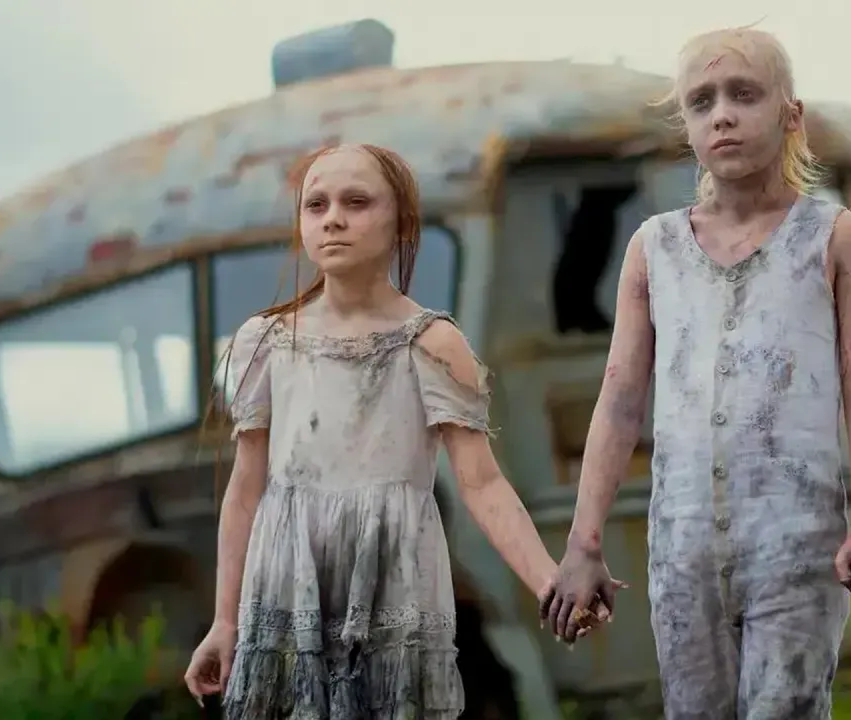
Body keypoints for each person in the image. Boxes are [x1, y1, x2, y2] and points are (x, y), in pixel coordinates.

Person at [539, 25, 851, 718]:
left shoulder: (834, 237)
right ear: (687, 125)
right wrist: (584, 542)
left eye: (744, 95)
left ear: (790, 114)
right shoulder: (655, 247)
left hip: (796, 543)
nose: (722, 115)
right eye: (701, 102)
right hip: (683, 549)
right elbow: (620, 400)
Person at [183, 143, 575, 718]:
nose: (333, 218)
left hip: (392, 584)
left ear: (401, 221)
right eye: (316, 205)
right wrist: (224, 622)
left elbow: (482, 483)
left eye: (357, 202)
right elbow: (245, 488)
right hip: (290, 589)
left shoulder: (431, 343)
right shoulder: (265, 343)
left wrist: (549, 581)